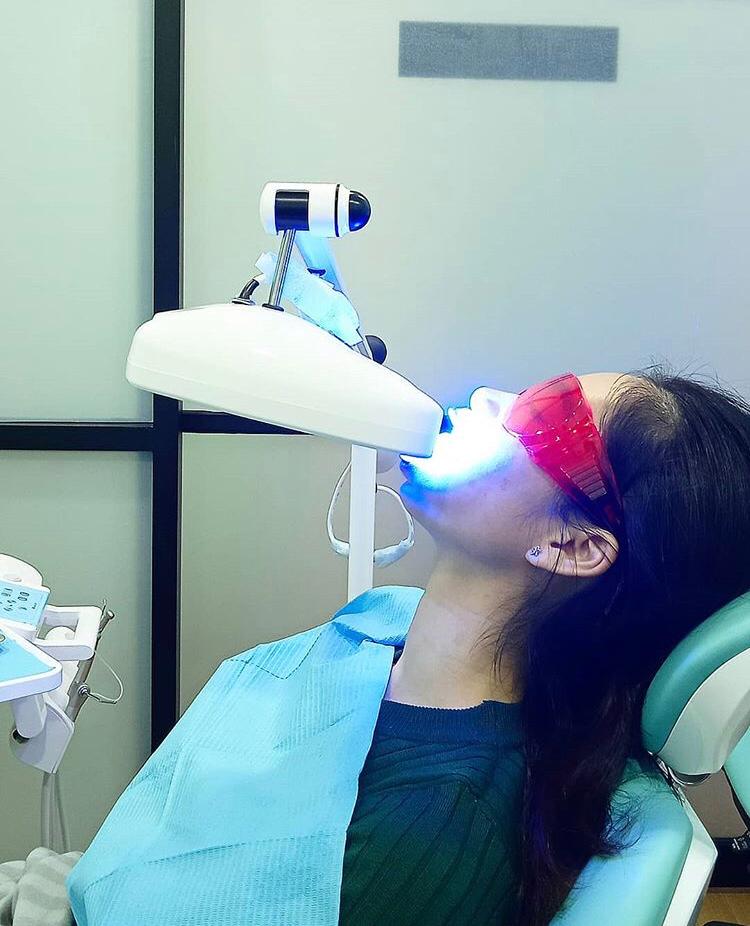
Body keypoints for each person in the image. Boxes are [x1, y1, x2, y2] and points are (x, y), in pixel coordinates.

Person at [68, 369, 750, 926]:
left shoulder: (434, 828)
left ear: (569, 545)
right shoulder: (381, 627)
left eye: (544, 415)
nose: (488, 398)